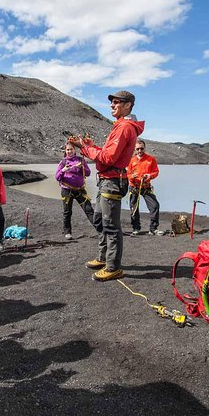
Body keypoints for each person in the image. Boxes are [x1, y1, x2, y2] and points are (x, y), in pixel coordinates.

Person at [70, 90, 144, 282]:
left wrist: (84, 147)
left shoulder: (124, 127)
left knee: (110, 225)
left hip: (112, 181)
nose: (112, 105)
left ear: (128, 105)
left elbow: (108, 158)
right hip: (107, 180)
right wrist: (91, 145)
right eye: (112, 102)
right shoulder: (121, 126)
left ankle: (113, 267)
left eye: (117, 102)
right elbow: (107, 153)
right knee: (100, 220)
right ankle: (104, 258)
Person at [55, 142, 94, 240]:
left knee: (89, 209)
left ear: (74, 150)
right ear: (65, 151)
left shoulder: (81, 160)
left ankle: (100, 229)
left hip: (80, 190)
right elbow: (57, 177)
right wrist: (63, 170)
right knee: (67, 212)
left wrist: (82, 167)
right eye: (67, 150)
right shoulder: (63, 162)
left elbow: (88, 173)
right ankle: (67, 232)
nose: (69, 151)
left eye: (71, 149)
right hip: (66, 190)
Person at [127, 139, 164, 236]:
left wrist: (149, 176)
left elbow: (156, 172)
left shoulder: (151, 159)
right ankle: (136, 228)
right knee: (134, 208)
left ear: (145, 148)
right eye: (138, 149)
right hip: (134, 187)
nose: (140, 151)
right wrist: (131, 177)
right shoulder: (131, 160)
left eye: (141, 148)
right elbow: (126, 174)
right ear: (135, 149)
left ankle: (153, 229)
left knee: (155, 206)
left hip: (146, 187)